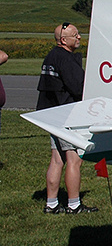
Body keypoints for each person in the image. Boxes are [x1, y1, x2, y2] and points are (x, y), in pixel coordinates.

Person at [36, 23, 96, 214]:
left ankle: (51, 204)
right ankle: (73, 204)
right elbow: (79, 87)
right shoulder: (66, 59)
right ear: (64, 40)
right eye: (75, 35)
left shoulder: (51, 57)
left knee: (57, 159)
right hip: (66, 114)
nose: (79, 37)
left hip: (50, 114)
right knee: (74, 159)